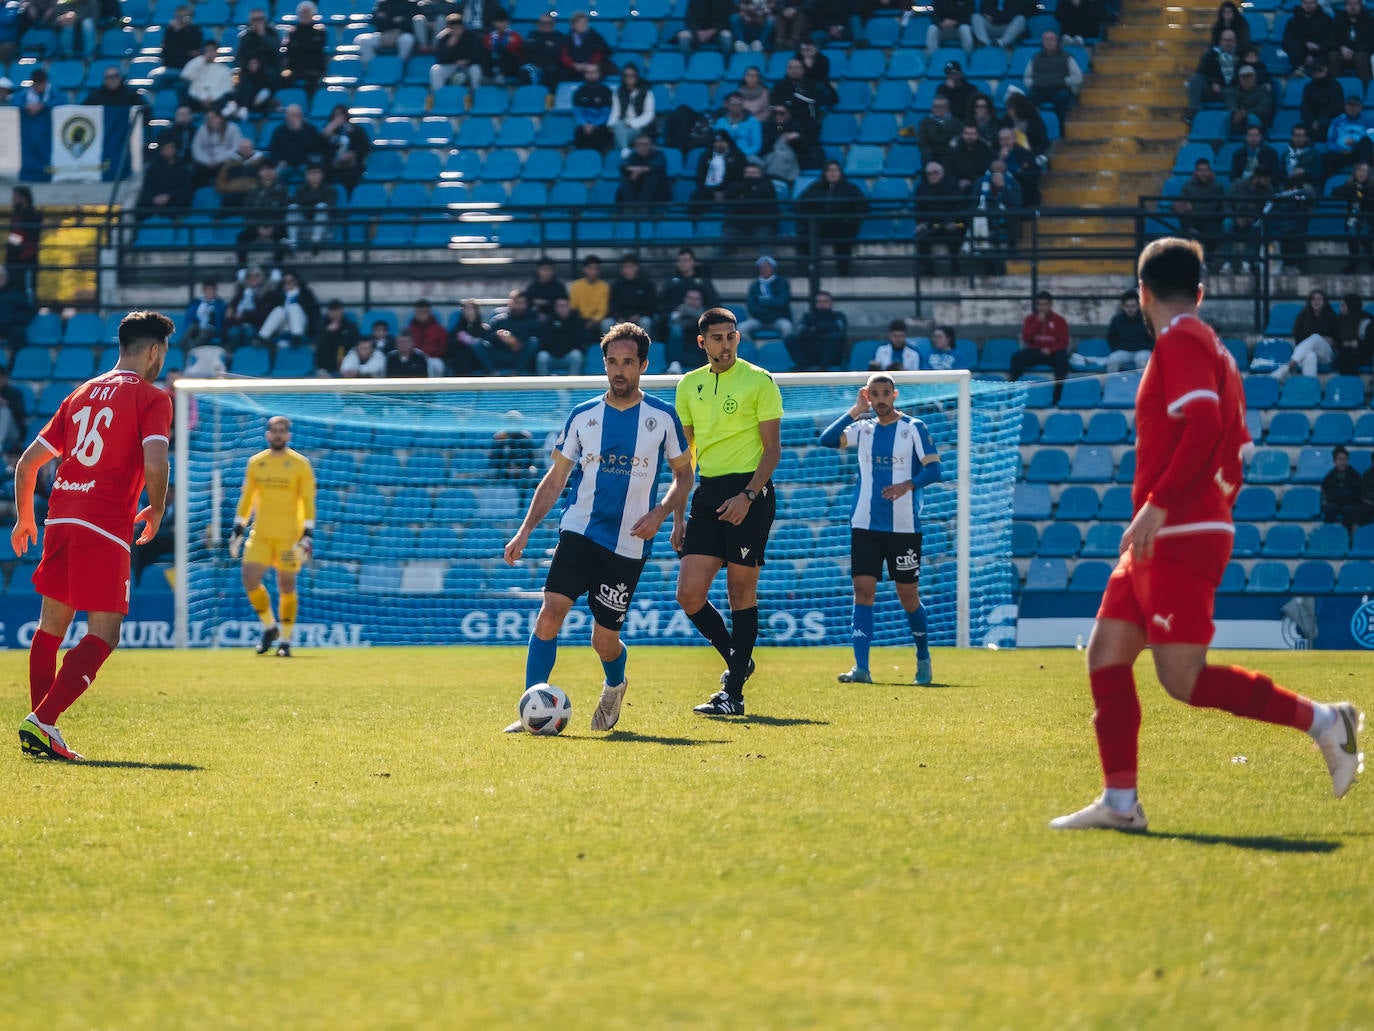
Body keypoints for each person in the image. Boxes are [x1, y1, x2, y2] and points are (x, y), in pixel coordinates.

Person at [1050, 236, 1364, 832]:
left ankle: (1327, 722)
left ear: (1142, 292)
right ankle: (1120, 803)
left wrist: (1162, 507)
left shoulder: (1182, 339)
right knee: (1106, 654)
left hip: (1177, 527)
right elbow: (1234, 448)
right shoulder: (1210, 346)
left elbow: (1205, 425)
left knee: (1182, 679)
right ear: (1199, 291)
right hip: (1174, 528)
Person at [503, 323, 694, 733]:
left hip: (629, 541)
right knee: (550, 614)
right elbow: (556, 478)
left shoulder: (662, 416)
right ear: (604, 364)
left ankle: (614, 685)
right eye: (612, 362)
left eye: (628, 362)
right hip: (579, 531)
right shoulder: (583, 415)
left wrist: (662, 513)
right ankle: (531, 708)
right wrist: (524, 531)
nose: (619, 370)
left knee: (603, 641)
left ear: (643, 365)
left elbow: (684, 476)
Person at [13, 311, 173, 761]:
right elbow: (156, 461)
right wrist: (158, 506)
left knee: (50, 627)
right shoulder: (152, 397)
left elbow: (27, 464)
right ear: (153, 351)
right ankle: (43, 722)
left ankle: (41, 726)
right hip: (103, 522)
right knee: (105, 633)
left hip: (61, 517)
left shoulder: (79, 393)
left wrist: (24, 519)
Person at [674, 307, 784, 716]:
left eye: (731, 336)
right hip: (707, 493)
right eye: (717, 338)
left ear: (738, 337)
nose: (726, 345)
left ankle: (733, 694)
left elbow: (772, 451)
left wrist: (748, 496)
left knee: (740, 592)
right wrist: (678, 516)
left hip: (749, 493)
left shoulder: (759, 380)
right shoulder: (688, 385)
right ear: (702, 342)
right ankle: (739, 658)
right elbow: (685, 460)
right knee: (688, 594)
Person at [819, 374, 943, 686]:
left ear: (895, 395)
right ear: (868, 396)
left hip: (904, 528)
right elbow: (827, 440)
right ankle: (861, 668)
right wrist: (854, 411)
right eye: (874, 394)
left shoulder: (914, 427)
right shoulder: (864, 428)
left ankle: (923, 658)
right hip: (865, 525)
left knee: (908, 596)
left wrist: (907, 485)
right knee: (863, 592)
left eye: (885, 393)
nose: (881, 399)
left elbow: (934, 469)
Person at [228, 416, 317, 658]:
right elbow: (248, 496)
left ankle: (285, 641)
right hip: (261, 535)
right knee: (250, 579)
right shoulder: (257, 463)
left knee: (286, 584)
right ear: (267, 434)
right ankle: (270, 627)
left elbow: (308, 499)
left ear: (288, 435)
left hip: (289, 537)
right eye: (274, 430)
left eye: (282, 430)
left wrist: (307, 532)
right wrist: (239, 526)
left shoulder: (300, 464)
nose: (278, 434)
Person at [797, 161, 868, 276]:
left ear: (840, 172)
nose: (833, 173)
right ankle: (811, 270)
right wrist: (810, 219)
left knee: (844, 238)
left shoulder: (850, 188)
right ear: (825, 173)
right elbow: (801, 204)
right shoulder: (815, 187)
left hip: (842, 224)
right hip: (819, 224)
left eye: (836, 170)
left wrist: (851, 220)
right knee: (806, 235)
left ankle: (843, 272)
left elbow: (863, 206)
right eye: (829, 170)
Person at [1009, 290, 1070, 404]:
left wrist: (1051, 349)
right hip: (1036, 351)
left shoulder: (1060, 320)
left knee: (1063, 359)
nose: (1042, 308)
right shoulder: (1030, 319)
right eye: (1040, 305)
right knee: (1016, 357)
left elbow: (1064, 342)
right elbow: (1027, 338)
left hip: (1052, 353)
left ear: (1050, 305)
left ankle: (1057, 397)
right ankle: (1013, 394)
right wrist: (1037, 323)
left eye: (1045, 304)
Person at [1273, 288, 1338, 380]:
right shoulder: (1303, 316)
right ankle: (1310, 385)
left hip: (1325, 354)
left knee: (1315, 337)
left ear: (1324, 302)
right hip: (1305, 352)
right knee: (1310, 355)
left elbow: (1337, 339)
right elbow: (1298, 337)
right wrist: (1317, 341)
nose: (1316, 302)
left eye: (1319, 299)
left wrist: (1329, 340)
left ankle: (1287, 367)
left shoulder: (1332, 316)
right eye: (1313, 299)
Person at [1022, 30, 1082, 124]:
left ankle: (1062, 128)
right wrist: (1033, 83)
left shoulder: (1067, 57)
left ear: (1056, 41)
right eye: (1046, 39)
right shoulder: (1035, 58)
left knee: (1062, 99)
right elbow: (1026, 77)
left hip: (1059, 90)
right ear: (1042, 41)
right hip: (1040, 90)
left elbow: (1078, 77)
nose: (1048, 42)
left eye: (1051, 39)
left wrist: (1064, 82)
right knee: (1026, 101)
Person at [786, 289, 848, 371]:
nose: (822, 304)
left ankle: (823, 368)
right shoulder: (807, 316)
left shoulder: (838, 316)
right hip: (811, 350)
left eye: (825, 301)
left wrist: (816, 329)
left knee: (835, 337)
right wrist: (821, 330)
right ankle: (802, 367)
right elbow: (800, 331)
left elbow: (839, 328)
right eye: (819, 301)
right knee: (790, 338)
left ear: (831, 303)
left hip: (830, 353)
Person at [738, 255, 793, 342]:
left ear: (773, 268)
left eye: (767, 267)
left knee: (787, 327)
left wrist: (763, 302)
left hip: (778, 319)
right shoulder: (754, 285)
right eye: (762, 267)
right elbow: (752, 307)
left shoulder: (782, 283)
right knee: (741, 328)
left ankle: (781, 348)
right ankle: (753, 348)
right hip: (759, 320)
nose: (765, 269)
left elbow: (782, 303)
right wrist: (771, 304)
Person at [534, 297, 591, 375]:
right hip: (552, 355)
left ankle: (573, 382)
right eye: (559, 306)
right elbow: (545, 340)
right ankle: (543, 382)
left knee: (576, 355)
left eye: (565, 306)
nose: (562, 309)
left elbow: (579, 341)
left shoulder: (577, 321)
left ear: (569, 307)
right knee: (542, 356)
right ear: (555, 308)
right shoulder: (548, 321)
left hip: (568, 355)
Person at [1334, 161, 1374, 272]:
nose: (1361, 173)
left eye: (1364, 171)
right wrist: (1353, 190)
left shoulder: (1372, 187)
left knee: (1365, 234)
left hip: (1368, 219)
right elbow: (1335, 192)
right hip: (1353, 219)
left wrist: (1362, 192)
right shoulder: (1350, 185)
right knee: (1352, 233)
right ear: (1355, 172)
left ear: (1368, 173)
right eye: (1359, 170)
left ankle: (1371, 263)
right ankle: (1353, 264)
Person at [430, 13, 484, 91]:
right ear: (448, 28)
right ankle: (439, 95)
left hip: (469, 66)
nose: (455, 31)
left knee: (476, 69)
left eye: (458, 28)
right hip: (452, 66)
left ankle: (476, 93)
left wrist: (467, 61)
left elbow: (479, 56)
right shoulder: (443, 38)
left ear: (463, 27)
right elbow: (440, 60)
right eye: (452, 28)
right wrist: (449, 47)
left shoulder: (472, 37)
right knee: (435, 70)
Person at [609, 62, 655, 152]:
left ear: (637, 77)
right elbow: (615, 112)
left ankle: (623, 150)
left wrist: (632, 123)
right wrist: (611, 124)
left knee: (619, 132)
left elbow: (649, 114)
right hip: (623, 125)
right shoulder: (618, 92)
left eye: (632, 75)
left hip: (640, 126)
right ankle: (625, 150)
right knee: (618, 127)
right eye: (626, 76)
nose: (629, 78)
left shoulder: (646, 92)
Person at [1103, 289, 1152, 373]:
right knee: (1112, 359)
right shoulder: (1117, 319)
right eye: (1127, 306)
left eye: (1133, 306)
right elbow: (1111, 337)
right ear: (1123, 306)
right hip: (1124, 351)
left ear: (1138, 305)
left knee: (1141, 359)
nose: (1130, 309)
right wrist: (1117, 348)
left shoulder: (1146, 319)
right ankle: (1113, 381)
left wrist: (1148, 348)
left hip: (1143, 350)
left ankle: (1142, 382)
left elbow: (1153, 337)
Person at [616, 133, 671, 205]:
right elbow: (622, 165)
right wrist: (635, 170)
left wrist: (639, 170)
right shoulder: (633, 155)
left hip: (657, 194)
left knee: (652, 174)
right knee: (626, 176)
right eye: (639, 144)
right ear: (635, 146)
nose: (642, 147)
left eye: (645, 144)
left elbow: (658, 165)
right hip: (637, 192)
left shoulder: (659, 154)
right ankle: (628, 205)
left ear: (651, 145)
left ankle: (643, 206)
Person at [607, 253, 656, 331]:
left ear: (636, 267)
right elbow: (612, 305)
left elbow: (651, 305)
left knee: (645, 322)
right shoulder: (616, 285)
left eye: (629, 267)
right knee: (606, 323)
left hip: (640, 317)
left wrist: (639, 316)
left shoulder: (646, 284)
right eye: (624, 267)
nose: (627, 270)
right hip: (621, 318)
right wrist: (619, 317)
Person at [1322, 445, 1366, 530]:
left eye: (1345, 459)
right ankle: (1330, 532)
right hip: (1334, 502)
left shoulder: (1355, 475)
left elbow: (1358, 493)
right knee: (1329, 509)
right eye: (1340, 459)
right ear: (1334, 461)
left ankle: (1347, 534)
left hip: (1350, 503)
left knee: (1348, 510)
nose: (1343, 462)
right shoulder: (1329, 476)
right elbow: (1325, 492)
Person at [314, 299, 358, 374]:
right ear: (328, 312)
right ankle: (323, 371)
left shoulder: (350, 326)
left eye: (337, 311)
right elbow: (319, 343)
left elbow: (353, 343)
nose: (335, 314)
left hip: (345, 358)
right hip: (327, 359)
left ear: (342, 311)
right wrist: (328, 332)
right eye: (333, 312)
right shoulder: (322, 325)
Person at [405, 298, 448, 376]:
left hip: (433, 358)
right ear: (415, 313)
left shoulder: (439, 330)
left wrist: (429, 352)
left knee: (437, 365)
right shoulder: (409, 330)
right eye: (419, 312)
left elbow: (443, 348)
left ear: (429, 312)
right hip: (413, 359)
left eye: (424, 312)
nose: (422, 315)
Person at [569, 255, 610, 333]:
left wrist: (594, 321)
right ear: (584, 269)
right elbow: (573, 307)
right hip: (580, 319)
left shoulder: (604, 287)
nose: (593, 272)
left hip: (597, 321)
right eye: (590, 268)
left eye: (596, 269)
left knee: (606, 323)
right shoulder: (576, 286)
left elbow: (603, 310)